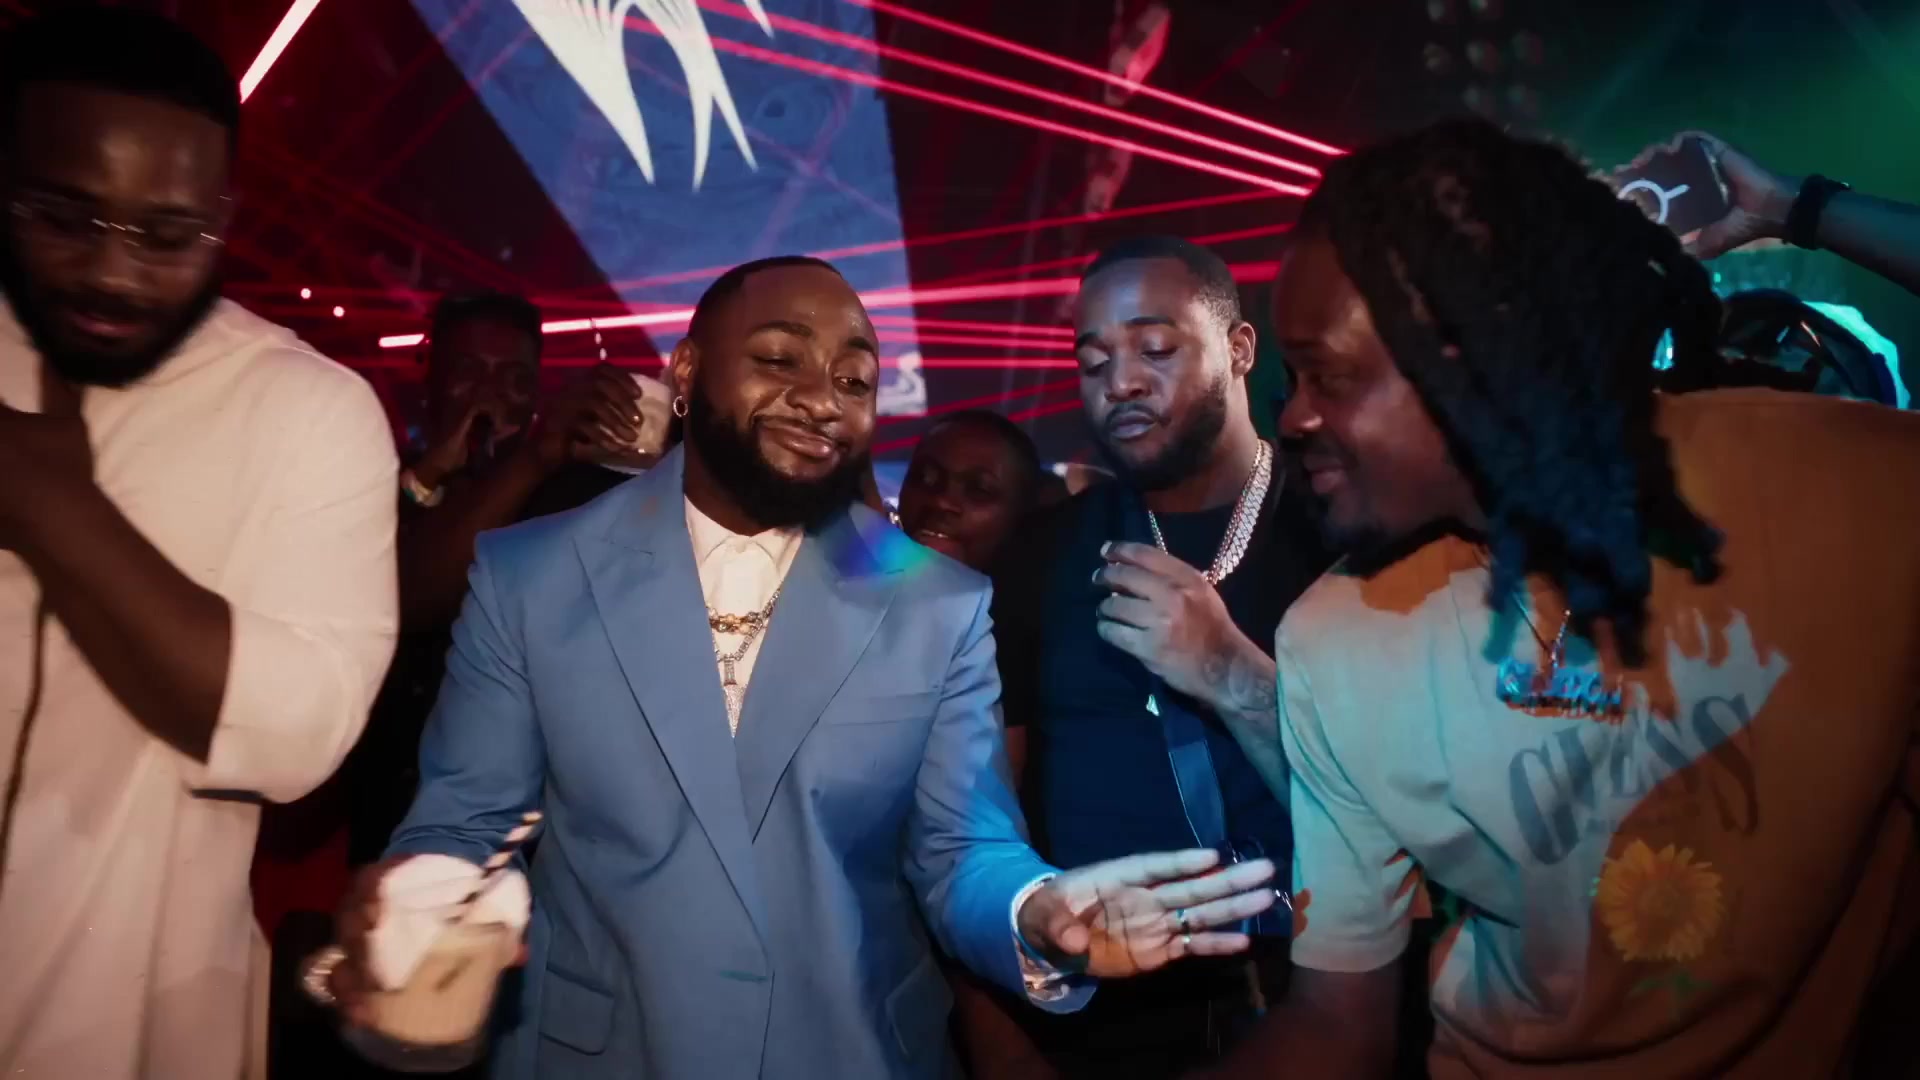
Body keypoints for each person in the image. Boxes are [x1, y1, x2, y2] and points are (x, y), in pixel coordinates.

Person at [325, 255, 1279, 1079]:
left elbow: (961, 851)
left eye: (854, 379)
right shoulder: (532, 573)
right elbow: (464, 821)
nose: (822, 397)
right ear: (688, 370)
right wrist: (427, 906)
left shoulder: (936, 603)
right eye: (780, 360)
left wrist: (1037, 914)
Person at [1213, 118, 1920, 1078]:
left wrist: (1807, 209)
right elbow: (1339, 1026)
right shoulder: (1331, 641)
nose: (1294, 415)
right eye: (1293, 379)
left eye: (1329, 376)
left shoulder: (1862, 492)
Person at [0, 8, 398, 1078]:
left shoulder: (305, 410)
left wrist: (52, 506)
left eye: (167, 236)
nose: (113, 272)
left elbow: (297, 738)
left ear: (223, 218)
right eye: (61, 218)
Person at [961, 237, 1333, 1077]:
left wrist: (1230, 674)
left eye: (1154, 349)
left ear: (1240, 349)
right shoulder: (1042, 558)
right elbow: (978, 831)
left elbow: (1412, 830)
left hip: (1327, 1012)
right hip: (1102, 1032)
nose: (1120, 381)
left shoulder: (1338, 527)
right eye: (1093, 361)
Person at [895, 408, 1046, 777]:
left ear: (1021, 516)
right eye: (925, 478)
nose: (941, 501)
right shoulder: (848, 604)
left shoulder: (1014, 647)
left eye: (979, 490)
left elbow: (983, 794)